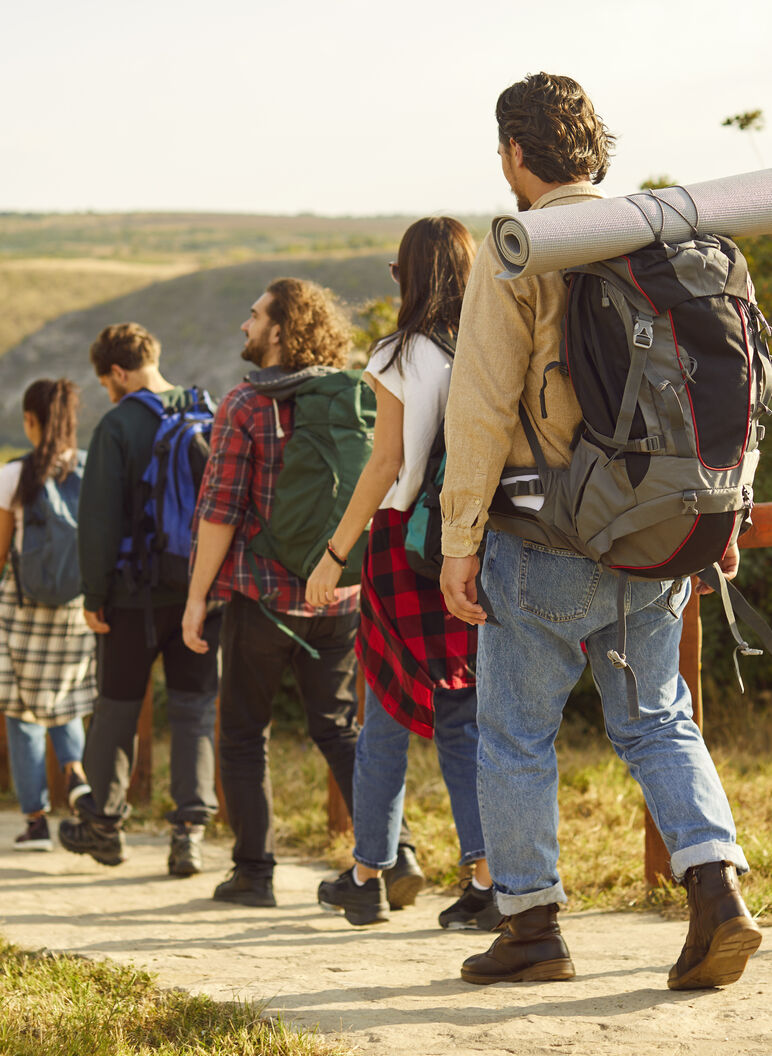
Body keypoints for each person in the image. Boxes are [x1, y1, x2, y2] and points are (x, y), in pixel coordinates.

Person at [439, 71, 762, 989]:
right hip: (665, 526)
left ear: (513, 153)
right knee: (659, 720)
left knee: (513, 734)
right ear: (597, 150)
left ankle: (533, 927)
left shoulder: (522, 250)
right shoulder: (665, 235)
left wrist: (459, 539)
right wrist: (719, 512)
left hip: (548, 540)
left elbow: (483, 405)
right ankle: (718, 895)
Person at [307, 218, 498, 930]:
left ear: (413, 278)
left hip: (399, 540)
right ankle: (483, 877)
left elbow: (386, 465)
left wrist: (333, 555)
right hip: (464, 538)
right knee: (460, 711)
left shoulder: (399, 352)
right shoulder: (484, 345)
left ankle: (369, 873)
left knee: (384, 708)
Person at [183, 278, 370, 908]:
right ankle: (387, 857)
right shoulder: (351, 397)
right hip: (337, 596)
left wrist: (194, 598)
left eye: (255, 315)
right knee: (339, 729)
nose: (245, 325)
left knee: (242, 733)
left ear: (282, 330)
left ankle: (254, 873)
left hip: (262, 598)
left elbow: (219, 511)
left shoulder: (246, 404)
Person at [58, 323, 221, 873]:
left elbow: (97, 521)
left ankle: (103, 826)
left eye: (106, 380)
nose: (107, 390)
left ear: (119, 372)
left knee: (117, 707)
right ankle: (190, 834)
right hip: (200, 590)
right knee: (194, 709)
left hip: (132, 596)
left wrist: (94, 593)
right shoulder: (208, 408)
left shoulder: (118, 425)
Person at [0, 379, 94, 851]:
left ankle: (36, 821)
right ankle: (77, 775)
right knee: (66, 701)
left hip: (23, 607)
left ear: (30, 420)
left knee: (21, 714)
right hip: (75, 608)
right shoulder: (88, 468)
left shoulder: (14, 475)